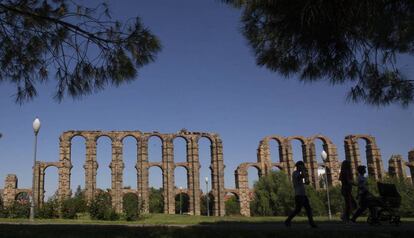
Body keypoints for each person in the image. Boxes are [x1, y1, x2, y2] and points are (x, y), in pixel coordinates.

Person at [285, 161, 317, 228]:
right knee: (298, 210)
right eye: (301, 166)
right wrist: (303, 171)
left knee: (308, 209)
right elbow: (301, 176)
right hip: (299, 195)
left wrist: (305, 174)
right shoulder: (295, 173)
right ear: (298, 166)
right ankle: (287, 220)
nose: (302, 167)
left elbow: (307, 182)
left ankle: (311, 223)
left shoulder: (299, 173)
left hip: (303, 194)